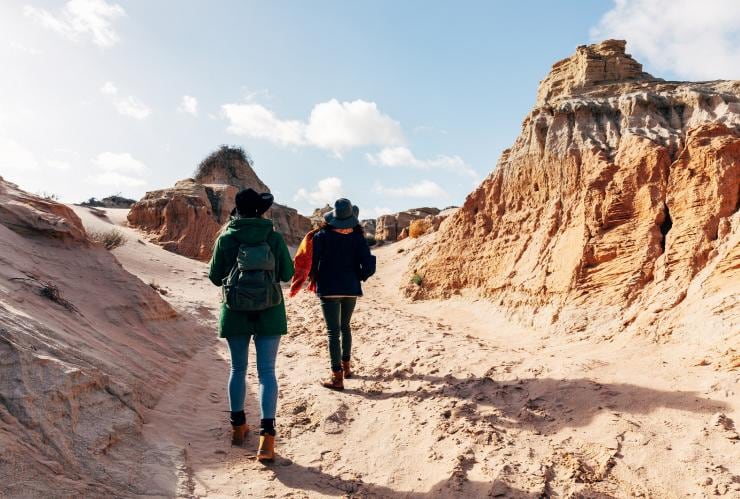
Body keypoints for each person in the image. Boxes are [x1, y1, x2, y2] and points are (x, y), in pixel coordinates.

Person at [208, 188, 294, 462]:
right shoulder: (273, 236)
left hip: (235, 312)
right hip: (269, 311)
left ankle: (238, 427)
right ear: (261, 211)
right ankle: (267, 440)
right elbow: (287, 274)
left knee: (238, 368)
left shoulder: (227, 237)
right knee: (267, 372)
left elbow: (214, 276)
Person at [310, 198, 376, 390]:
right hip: (350, 288)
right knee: (345, 327)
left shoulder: (321, 236)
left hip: (328, 288)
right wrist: (359, 276)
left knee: (333, 332)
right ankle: (346, 369)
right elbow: (369, 265)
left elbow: (312, 262)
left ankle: (337, 377)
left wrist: (314, 279)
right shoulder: (358, 237)